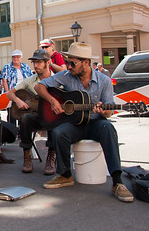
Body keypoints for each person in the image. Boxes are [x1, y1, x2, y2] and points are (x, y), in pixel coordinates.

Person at [34, 42, 134, 202]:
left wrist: (105, 111)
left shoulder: (104, 81)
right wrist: (53, 100)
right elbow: (39, 87)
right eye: (67, 62)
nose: (68, 66)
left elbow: (109, 113)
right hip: (75, 124)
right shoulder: (66, 76)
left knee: (108, 128)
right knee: (59, 132)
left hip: (96, 124)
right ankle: (65, 175)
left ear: (86, 63)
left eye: (72, 63)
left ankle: (117, 182)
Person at [6, 49, 55, 174]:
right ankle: (27, 157)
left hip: (51, 118)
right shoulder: (31, 80)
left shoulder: (57, 80)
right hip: (36, 118)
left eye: (39, 62)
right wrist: (18, 101)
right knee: (25, 119)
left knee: (55, 119)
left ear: (47, 63)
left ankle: (51, 158)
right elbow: (10, 93)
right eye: (34, 63)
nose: (36, 65)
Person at [0, 49, 32, 124]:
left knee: (23, 113)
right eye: (14, 57)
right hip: (12, 92)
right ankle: (12, 132)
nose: (16, 59)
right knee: (12, 114)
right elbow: (4, 80)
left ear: (21, 58)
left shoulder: (26, 67)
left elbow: (31, 78)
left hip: (23, 93)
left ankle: (21, 132)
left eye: (18, 57)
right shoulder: (7, 67)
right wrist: (8, 93)